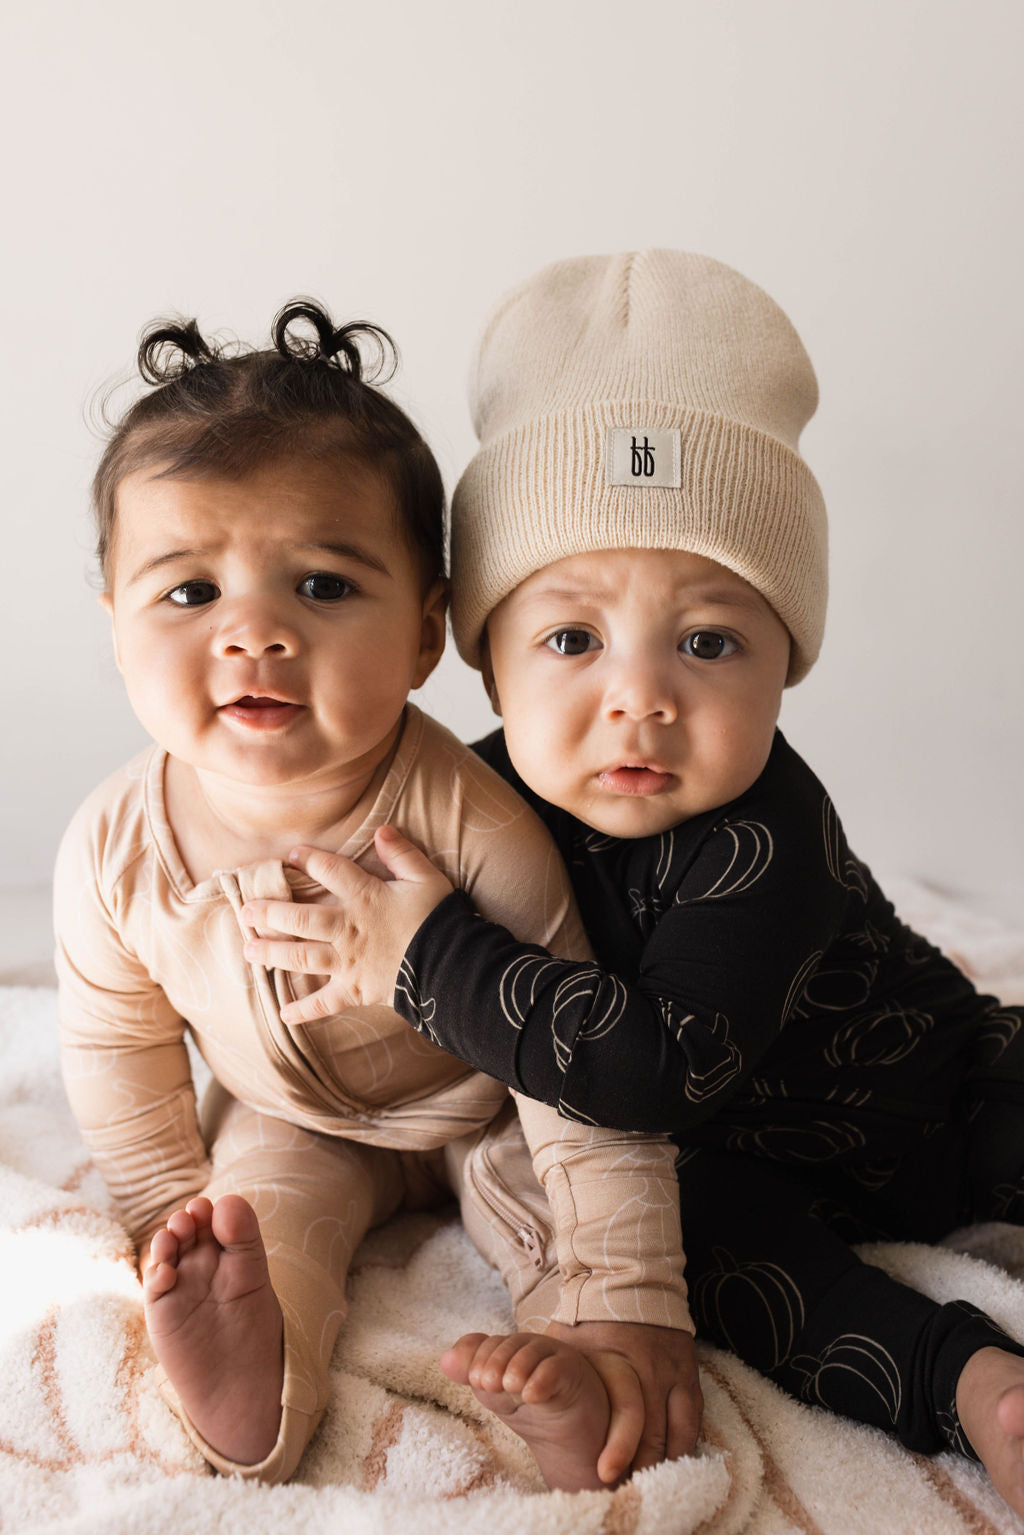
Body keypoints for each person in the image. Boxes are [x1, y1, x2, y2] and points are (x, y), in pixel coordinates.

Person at [241, 254, 1024, 1518]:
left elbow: (648, 1062)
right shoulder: (464, 801)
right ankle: (972, 1382)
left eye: (708, 640)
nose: (641, 695)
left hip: (940, 1095)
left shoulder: (763, 831)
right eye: (570, 637)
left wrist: (427, 957)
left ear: (787, 663)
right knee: (706, 1255)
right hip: (722, 1163)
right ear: (485, 658)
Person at [53, 298, 700, 1492]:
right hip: (289, 1117)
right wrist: (168, 1214)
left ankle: (589, 1393)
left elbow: (570, 1055)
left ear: (423, 634)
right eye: (188, 592)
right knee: (257, 1233)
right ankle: (250, 1384)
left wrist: (633, 1291)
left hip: (486, 1093)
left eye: (321, 585)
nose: (253, 632)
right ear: (114, 624)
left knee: (569, 1237)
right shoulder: (114, 847)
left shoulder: (470, 819)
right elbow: (117, 1041)